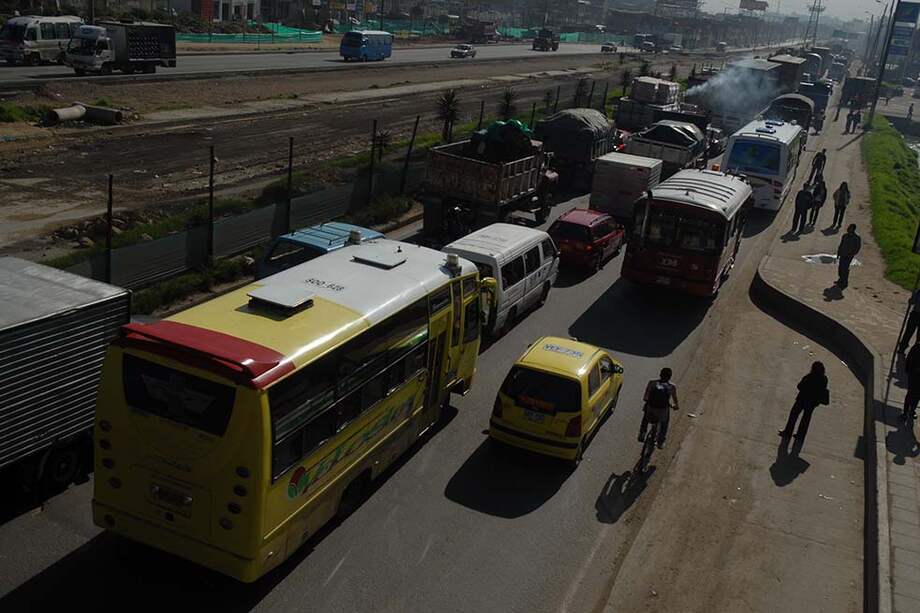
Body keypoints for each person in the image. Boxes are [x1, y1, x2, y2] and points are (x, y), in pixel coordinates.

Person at [779, 361, 829, 441]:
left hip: (802, 400)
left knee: (793, 415)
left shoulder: (809, 376)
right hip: (812, 403)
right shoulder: (824, 379)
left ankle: (788, 432)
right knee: (806, 419)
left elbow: (799, 386)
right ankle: (800, 436)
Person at [638, 367, 680, 450]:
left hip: (651, 408)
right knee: (664, 423)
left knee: (646, 415)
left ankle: (642, 432)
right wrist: (675, 406)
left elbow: (645, 397)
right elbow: (675, 400)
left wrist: (648, 401)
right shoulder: (671, 387)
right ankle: (660, 441)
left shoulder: (652, 383)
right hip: (662, 411)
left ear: (660, 374)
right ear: (670, 377)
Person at [836, 224, 862, 288]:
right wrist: (838, 253)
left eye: (850, 228)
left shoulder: (856, 238)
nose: (848, 228)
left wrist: (852, 254)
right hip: (842, 254)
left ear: (853, 229)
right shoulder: (845, 236)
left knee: (845, 268)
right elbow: (841, 244)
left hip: (849, 256)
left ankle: (844, 281)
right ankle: (841, 279)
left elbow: (857, 248)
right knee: (840, 268)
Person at [902, 341, 920, 421]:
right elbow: (909, 358)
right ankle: (905, 413)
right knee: (910, 393)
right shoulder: (917, 346)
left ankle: (912, 410)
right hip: (914, 374)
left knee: (918, 395)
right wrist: (908, 370)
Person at [898, 289, 920, 354]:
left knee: (919, 338)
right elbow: (912, 302)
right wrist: (911, 300)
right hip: (915, 315)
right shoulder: (917, 292)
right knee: (908, 333)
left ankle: (916, 354)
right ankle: (902, 348)